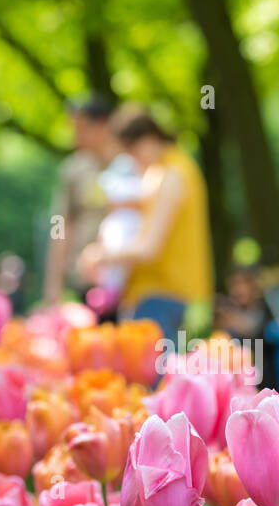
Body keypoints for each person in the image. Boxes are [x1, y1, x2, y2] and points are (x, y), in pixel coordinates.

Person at [78, 107, 213, 339]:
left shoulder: (169, 175)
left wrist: (99, 255)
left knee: (151, 374)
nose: (133, 162)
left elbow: (149, 248)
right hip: (162, 293)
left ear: (148, 140)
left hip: (158, 293)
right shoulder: (176, 168)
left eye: (131, 153)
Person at [42, 94, 119, 308]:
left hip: (125, 276)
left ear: (103, 125)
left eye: (82, 128)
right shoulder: (73, 169)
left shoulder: (130, 164)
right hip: (85, 278)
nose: (75, 137)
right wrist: (53, 286)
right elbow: (60, 225)